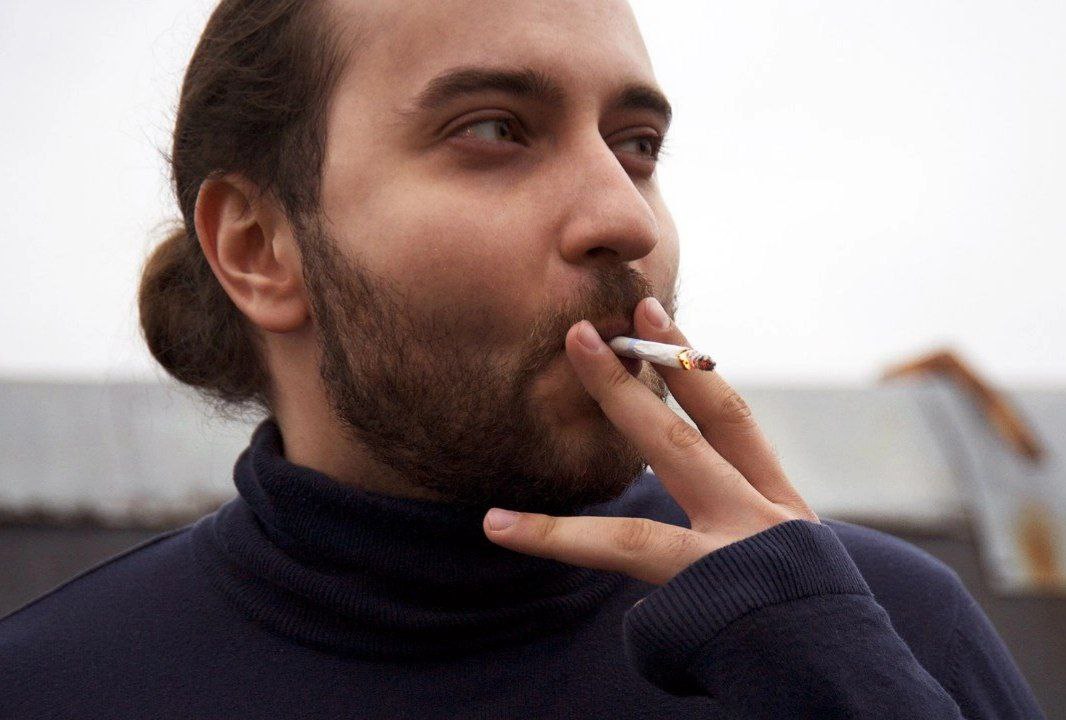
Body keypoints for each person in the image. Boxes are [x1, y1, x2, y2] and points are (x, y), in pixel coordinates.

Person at [0, 1, 1046, 717]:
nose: (624, 219)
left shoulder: (888, 627)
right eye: (496, 129)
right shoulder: (54, 688)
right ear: (259, 248)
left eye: (637, 146)